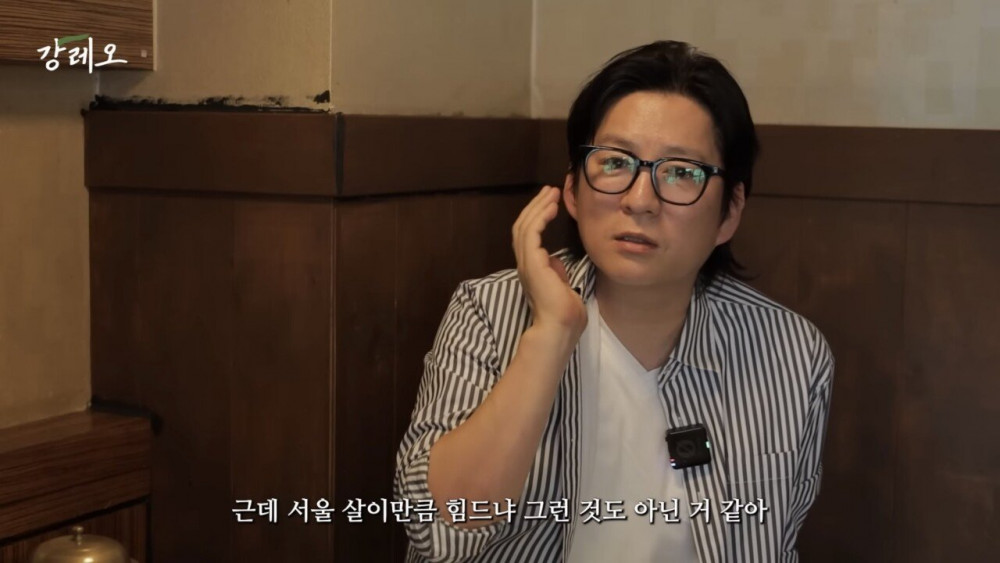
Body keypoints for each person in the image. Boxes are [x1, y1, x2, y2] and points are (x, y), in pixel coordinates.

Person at [394, 40, 834, 562]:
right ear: (573, 190)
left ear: (730, 212)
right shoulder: (490, 312)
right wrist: (550, 335)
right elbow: (437, 531)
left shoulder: (791, 352)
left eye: (681, 172)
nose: (640, 200)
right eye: (614, 162)